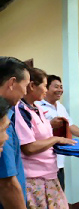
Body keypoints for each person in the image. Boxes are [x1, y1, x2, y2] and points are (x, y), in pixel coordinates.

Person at [14, 68, 76, 208]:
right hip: (34, 179)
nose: (46, 90)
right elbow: (29, 148)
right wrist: (56, 139)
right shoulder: (20, 110)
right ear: (32, 86)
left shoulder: (38, 109)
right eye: (44, 85)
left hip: (50, 174)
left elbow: (43, 134)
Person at [35, 75, 79, 190]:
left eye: (61, 87)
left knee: (59, 194)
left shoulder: (60, 107)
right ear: (46, 88)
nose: (60, 90)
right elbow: (34, 131)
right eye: (56, 87)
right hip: (42, 163)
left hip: (59, 162)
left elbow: (70, 126)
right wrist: (50, 124)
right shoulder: (37, 106)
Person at [0, 56, 30, 209]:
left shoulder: (9, 113)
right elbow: (7, 184)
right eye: (25, 85)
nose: (25, 92)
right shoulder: (1, 121)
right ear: (12, 83)